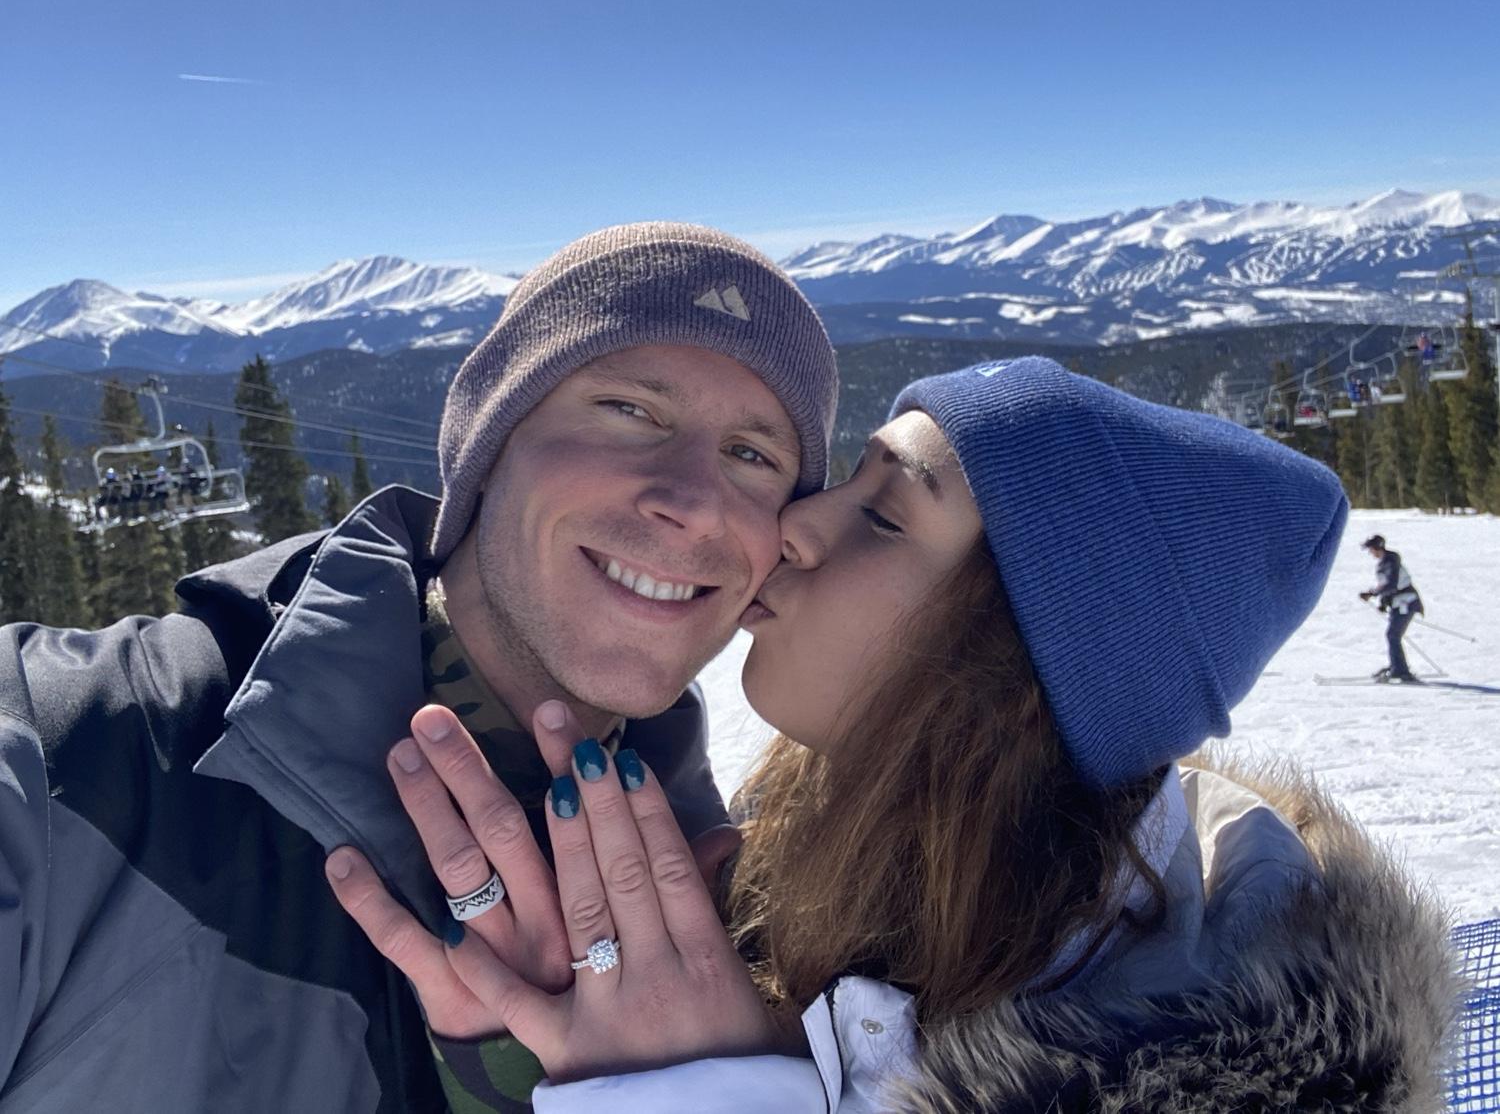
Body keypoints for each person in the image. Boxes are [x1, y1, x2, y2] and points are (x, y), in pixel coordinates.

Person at [339, 358, 1458, 1113]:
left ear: (1015, 663)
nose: (798, 525)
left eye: (883, 513)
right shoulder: (840, 889)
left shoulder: (1188, 1068)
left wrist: (700, 1091)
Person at [0, 222, 838, 1112]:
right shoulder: (80, 758)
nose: (693, 506)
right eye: (629, 411)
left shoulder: (741, 912)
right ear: (490, 444)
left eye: (754, 456)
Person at [1360, 532, 1425, 683]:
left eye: (1371, 549)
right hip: (1400, 603)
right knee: (1393, 635)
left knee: (1393, 635)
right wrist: (1383, 603)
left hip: (1406, 603)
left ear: (1377, 548)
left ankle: (1401, 671)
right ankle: (1397, 666)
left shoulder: (1389, 561)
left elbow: (1391, 584)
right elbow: (1388, 587)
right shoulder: (1386, 561)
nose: (1370, 553)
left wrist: (1372, 594)